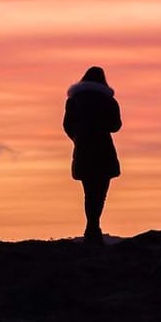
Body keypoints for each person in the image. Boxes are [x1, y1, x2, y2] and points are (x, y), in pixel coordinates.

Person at [63, 65, 122, 244]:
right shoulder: (108, 101)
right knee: (100, 192)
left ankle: (92, 227)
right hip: (103, 150)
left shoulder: (74, 100)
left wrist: (77, 138)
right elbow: (116, 126)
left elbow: (67, 125)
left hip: (83, 150)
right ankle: (93, 227)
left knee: (89, 192)